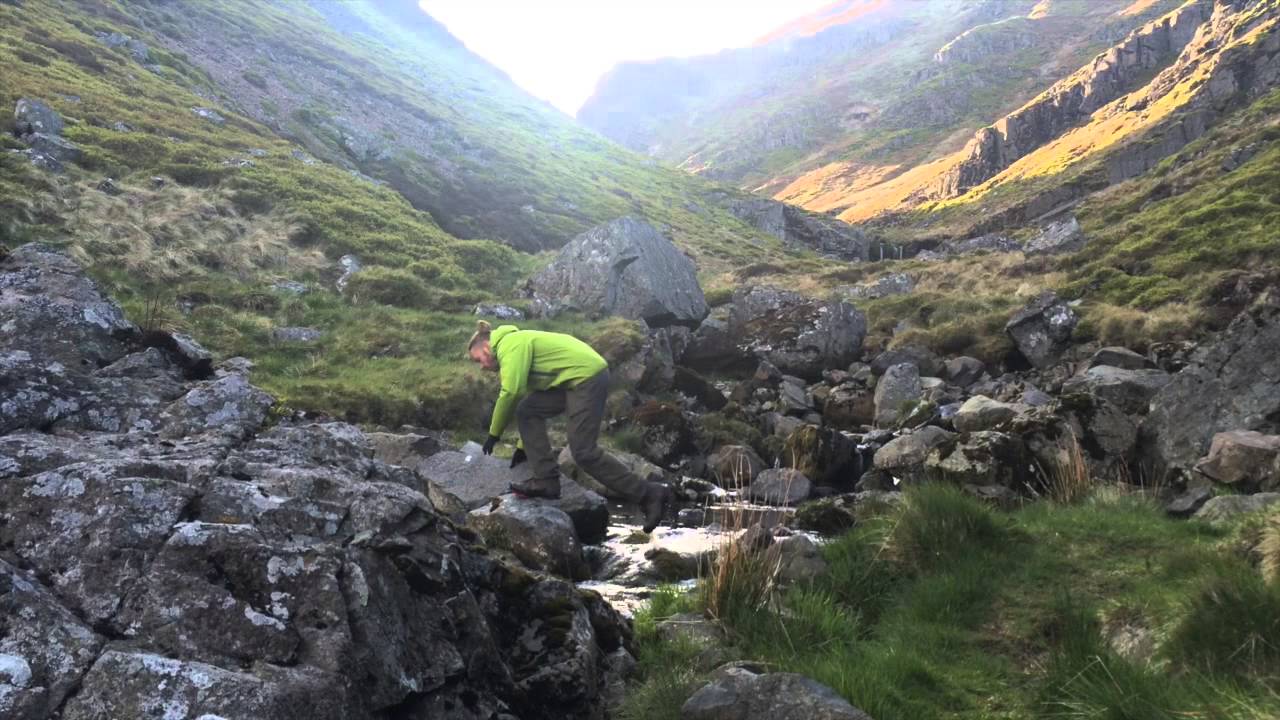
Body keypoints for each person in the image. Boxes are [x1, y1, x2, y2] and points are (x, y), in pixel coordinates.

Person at [467, 320, 673, 533]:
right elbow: (530, 400)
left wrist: (494, 434)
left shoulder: (511, 345)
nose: (482, 366)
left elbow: (511, 392)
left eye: (478, 359)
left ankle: (649, 493)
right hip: (569, 382)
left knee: (583, 451)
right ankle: (546, 481)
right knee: (527, 410)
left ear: (486, 347)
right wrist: (524, 447)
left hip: (586, 377)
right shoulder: (512, 345)